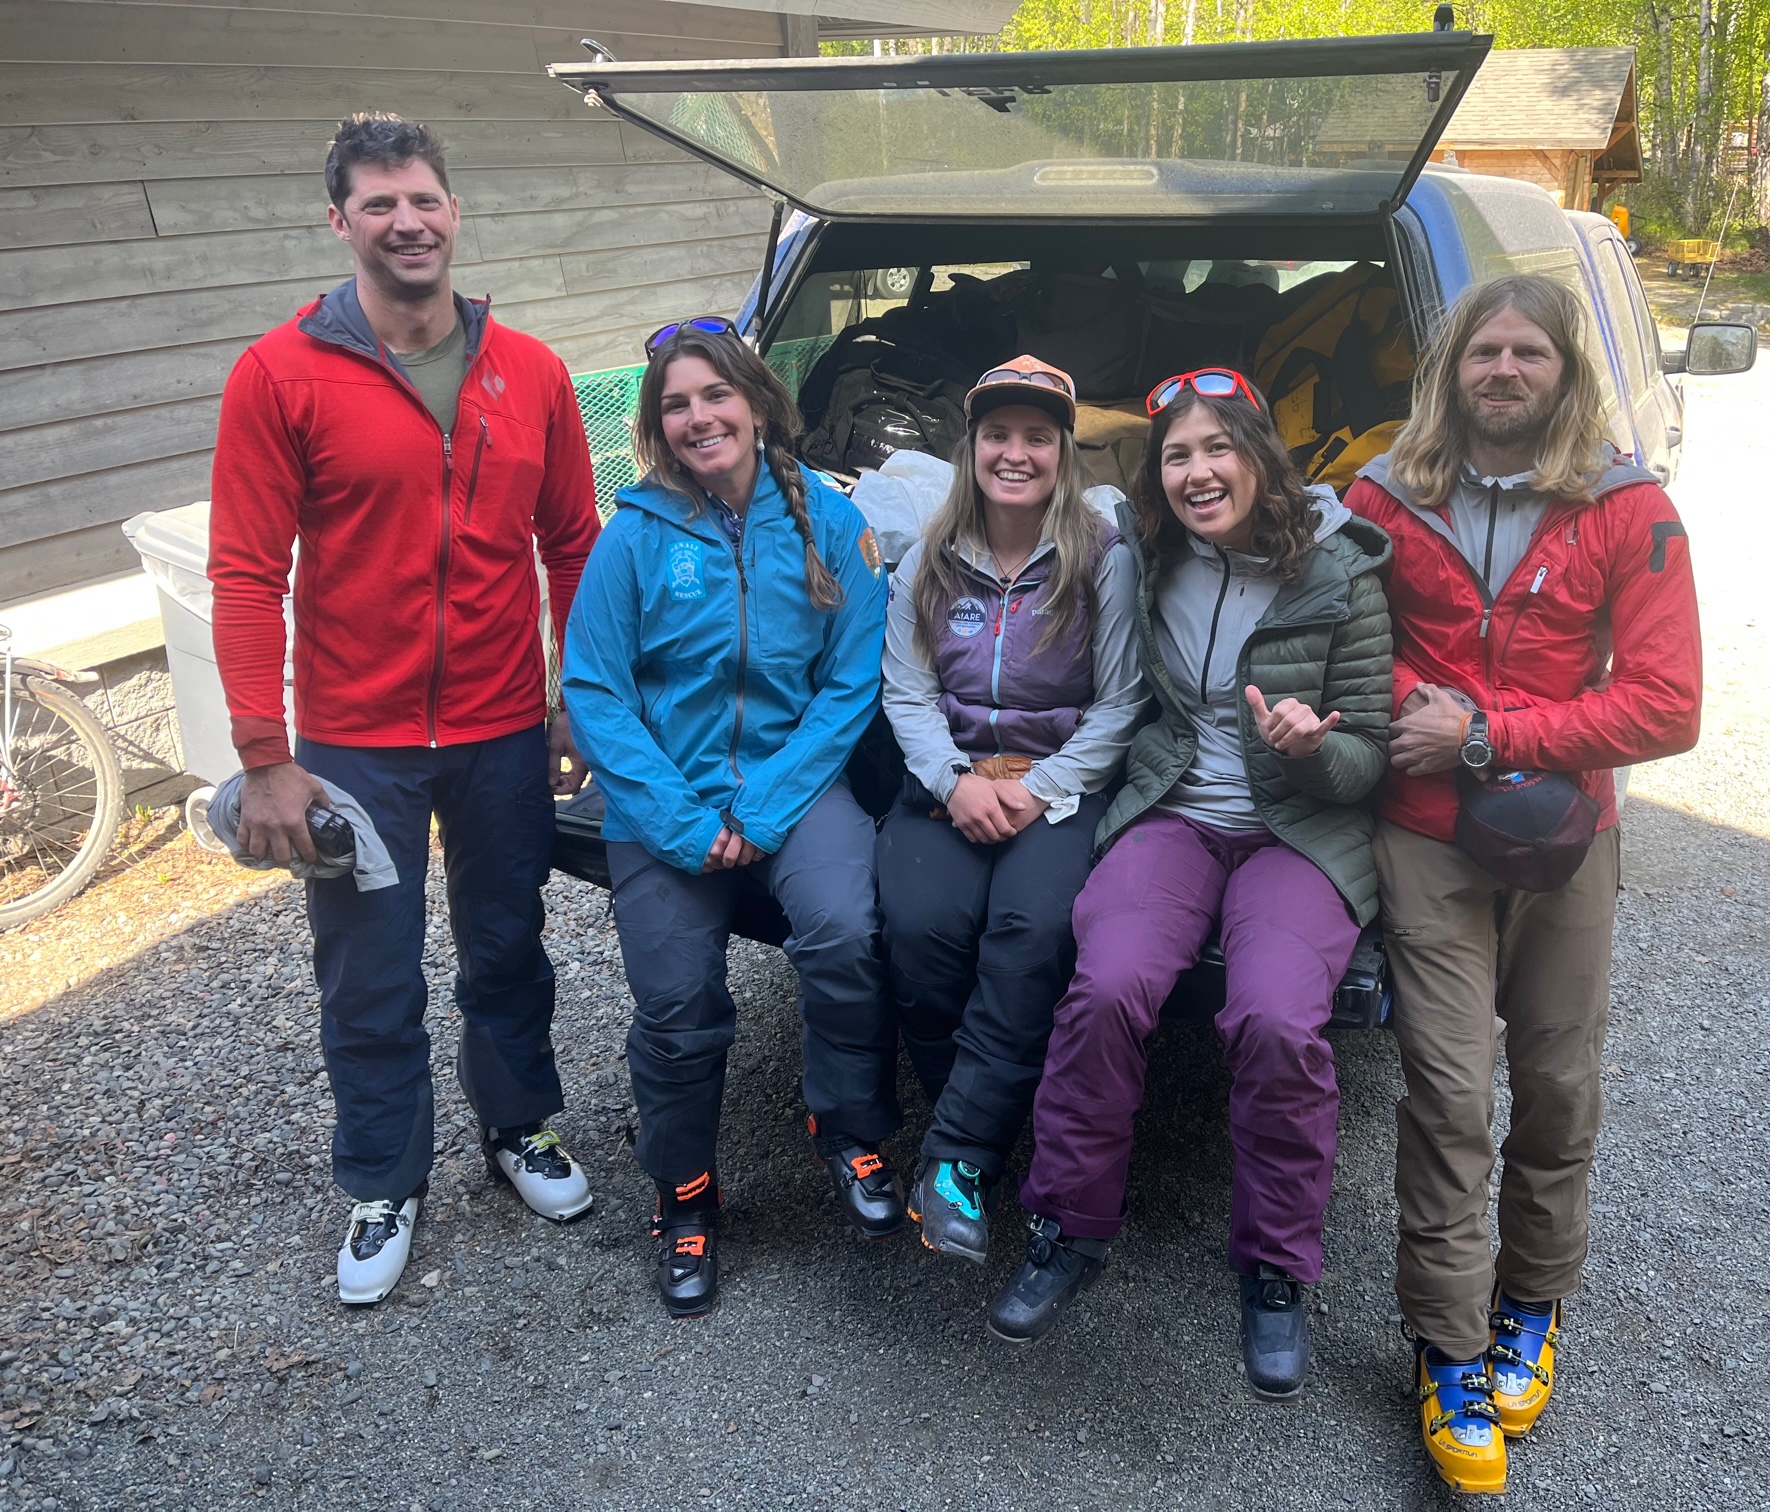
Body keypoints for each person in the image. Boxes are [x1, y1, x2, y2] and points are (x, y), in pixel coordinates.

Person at [208, 114, 603, 1307]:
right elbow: (244, 573)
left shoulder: (527, 372)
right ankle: (384, 1180)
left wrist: (572, 701)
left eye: (424, 200)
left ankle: (518, 1127)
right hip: (353, 746)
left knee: (506, 948)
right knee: (369, 974)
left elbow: (574, 545)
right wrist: (265, 759)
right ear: (341, 224)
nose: (407, 222)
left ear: (455, 212)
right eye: (379, 205)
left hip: (497, 730)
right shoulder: (280, 374)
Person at [1346, 275, 1702, 1495]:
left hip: (1563, 837)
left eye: (1528, 353)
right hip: (1427, 833)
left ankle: (1532, 1304)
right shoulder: (1385, 494)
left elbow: (1668, 703)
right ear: (1452, 367)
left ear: (1563, 371)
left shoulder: (1625, 506)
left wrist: (1490, 734)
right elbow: (1348, 647)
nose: (1503, 370)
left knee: (1557, 1086)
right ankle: (1447, 1345)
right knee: (1449, 1092)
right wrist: (1420, 720)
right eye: (1484, 350)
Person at [987, 368, 1394, 1402]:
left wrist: (1309, 749)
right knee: (1109, 986)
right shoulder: (1147, 555)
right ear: (1156, 477)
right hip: (1174, 811)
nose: (1199, 471)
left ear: (1260, 454)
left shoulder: (1340, 576)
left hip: (1297, 830)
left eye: (1218, 449)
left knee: (1272, 1019)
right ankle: (1068, 1227)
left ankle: (1275, 1268)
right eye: (1177, 455)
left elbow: (1369, 763)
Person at [562, 320, 894, 1320]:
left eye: (714, 395)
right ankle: (686, 1192)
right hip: (665, 799)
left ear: (754, 404)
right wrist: (679, 818)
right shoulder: (634, 537)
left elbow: (849, 685)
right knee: (676, 1003)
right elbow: (595, 689)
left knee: (843, 932)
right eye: (676, 404)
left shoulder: (831, 524)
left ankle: (844, 1124)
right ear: (658, 428)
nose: (699, 415)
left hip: (792, 790)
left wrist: (763, 805)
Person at [878, 356, 1147, 1264]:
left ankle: (956, 1158)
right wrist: (954, 782)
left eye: (1038, 436)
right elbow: (906, 693)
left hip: (1056, 789)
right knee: (917, 928)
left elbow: (1121, 702)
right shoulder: (926, 557)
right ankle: (978, 1107)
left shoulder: (1102, 559)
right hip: (949, 784)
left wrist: (1037, 789)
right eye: (999, 434)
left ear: (1065, 453)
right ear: (972, 446)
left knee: (1028, 933)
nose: (1016, 453)